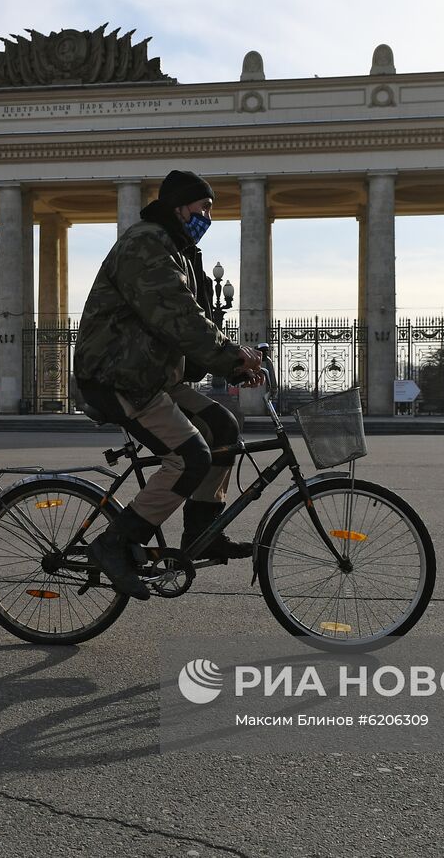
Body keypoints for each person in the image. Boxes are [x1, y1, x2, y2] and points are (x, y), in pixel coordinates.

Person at [73, 169, 266, 600]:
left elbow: (186, 327)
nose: (208, 216)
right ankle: (113, 545)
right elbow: (178, 315)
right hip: (118, 376)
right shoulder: (146, 244)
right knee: (189, 455)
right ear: (179, 206)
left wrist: (230, 366)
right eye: (203, 207)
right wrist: (231, 354)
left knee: (224, 429)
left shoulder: (176, 248)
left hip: (152, 375)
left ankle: (204, 534)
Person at [256, 342, 278, 408]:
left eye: (266, 351)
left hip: (268, 388)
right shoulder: (256, 359)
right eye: (263, 351)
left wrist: (274, 388)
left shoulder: (268, 360)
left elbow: (272, 375)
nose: (265, 353)